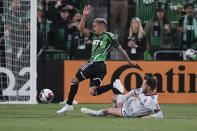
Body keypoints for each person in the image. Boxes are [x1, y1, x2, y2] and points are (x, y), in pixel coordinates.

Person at [57, 5, 134, 114]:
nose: (93, 28)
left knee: (75, 79)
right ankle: (113, 85)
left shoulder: (109, 36)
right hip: (101, 68)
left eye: (95, 26)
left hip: (95, 63)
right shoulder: (94, 36)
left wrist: (129, 61)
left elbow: (120, 49)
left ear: (102, 27)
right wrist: (84, 15)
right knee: (93, 91)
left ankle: (69, 105)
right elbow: (81, 29)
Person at [81, 76, 163, 118]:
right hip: (130, 101)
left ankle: (94, 113)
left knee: (107, 110)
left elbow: (160, 114)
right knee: (113, 97)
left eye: (144, 84)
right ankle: (117, 107)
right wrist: (122, 101)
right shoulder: (142, 90)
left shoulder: (153, 101)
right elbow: (131, 92)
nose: (142, 85)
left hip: (128, 112)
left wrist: (149, 117)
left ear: (149, 87)